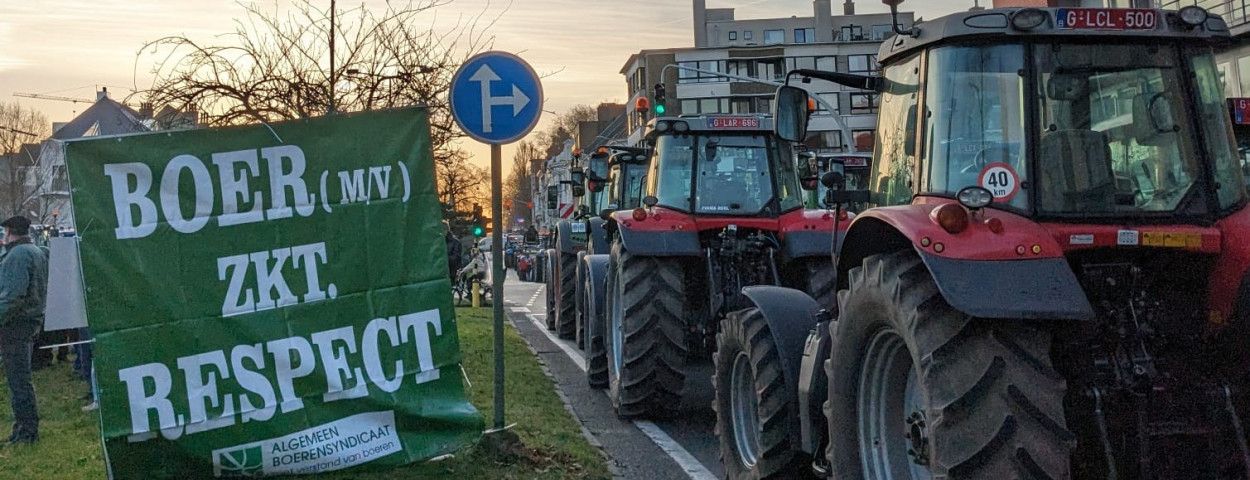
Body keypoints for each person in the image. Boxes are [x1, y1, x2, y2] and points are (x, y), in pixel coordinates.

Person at [0, 215, 49, 445]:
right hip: (30, 322)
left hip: (16, 325)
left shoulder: (18, 255)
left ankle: (27, 431)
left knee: (18, 380)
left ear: (10, 231)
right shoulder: (36, 251)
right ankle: (23, 427)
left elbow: (12, 297)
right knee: (21, 377)